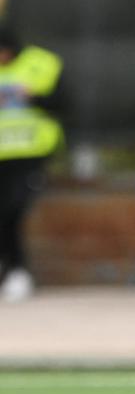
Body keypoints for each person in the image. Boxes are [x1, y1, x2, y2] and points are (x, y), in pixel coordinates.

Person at [0, 24, 64, 301]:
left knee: (14, 211)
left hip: (29, 155)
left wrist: (34, 97)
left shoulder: (42, 63)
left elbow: (65, 103)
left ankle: (17, 271)